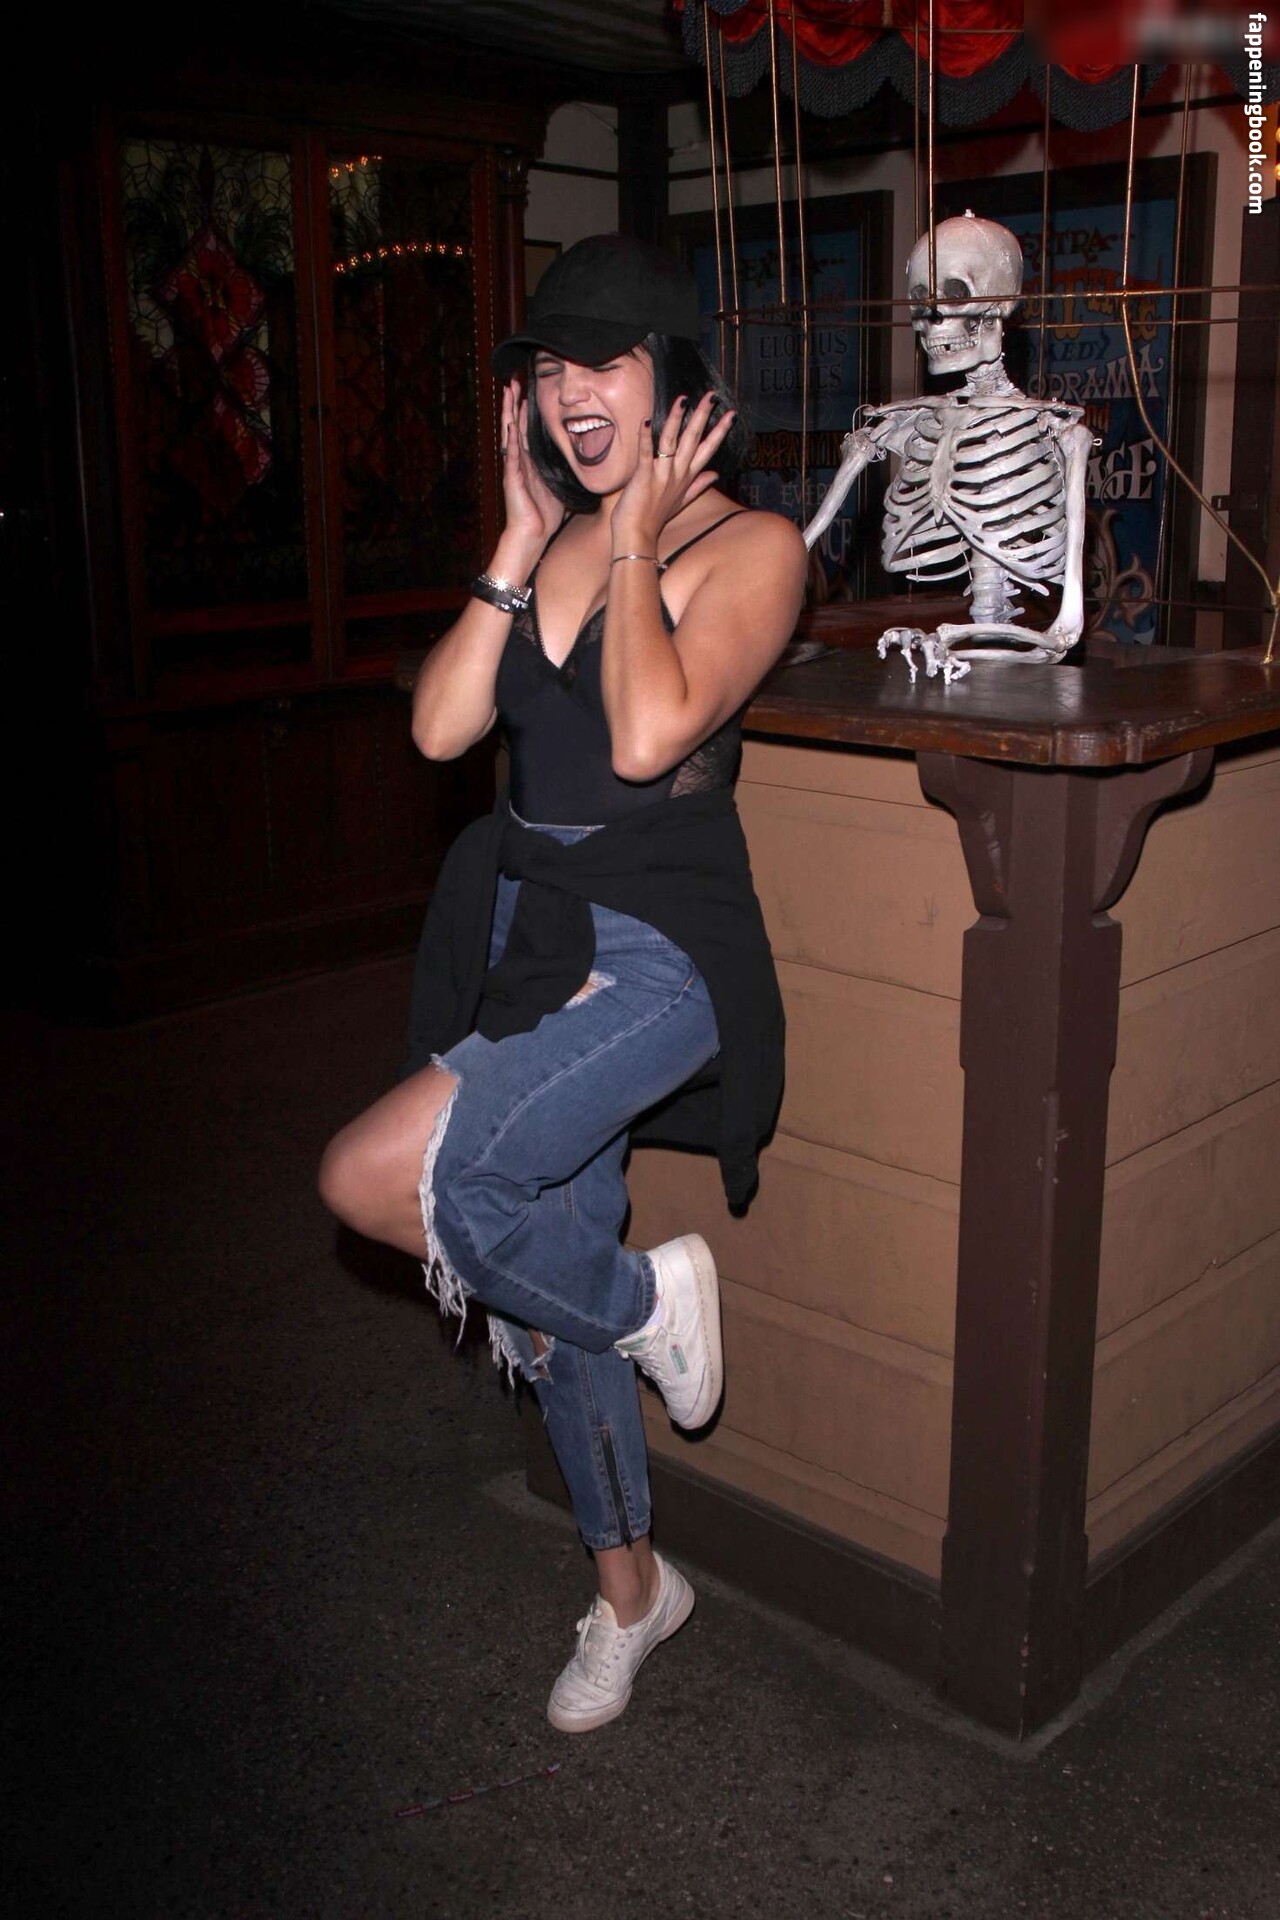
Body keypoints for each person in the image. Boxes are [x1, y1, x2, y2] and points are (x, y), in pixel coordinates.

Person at [319, 232, 806, 1734]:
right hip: (531, 938)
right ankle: (632, 1587)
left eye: (606, 361)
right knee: (544, 1260)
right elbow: (441, 729)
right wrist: (521, 534)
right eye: (548, 368)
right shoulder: (557, 531)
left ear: (678, 382)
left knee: (394, 1181)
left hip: (659, 951)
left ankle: (648, 1301)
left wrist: (641, 536)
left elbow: (650, 735)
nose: (571, 391)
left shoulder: (754, 547)